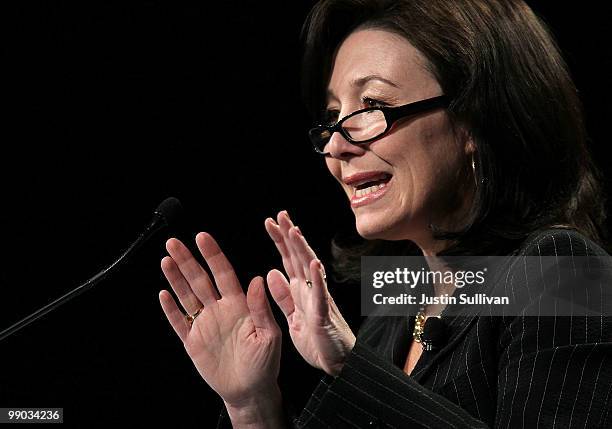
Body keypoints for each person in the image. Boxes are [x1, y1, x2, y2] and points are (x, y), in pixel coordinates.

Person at [158, 0, 612, 427]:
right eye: (334, 114)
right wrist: (253, 405)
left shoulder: (562, 271)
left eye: (373, 106)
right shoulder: (397, 303)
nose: (336, 145)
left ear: (474, 119)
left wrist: (350, 364)